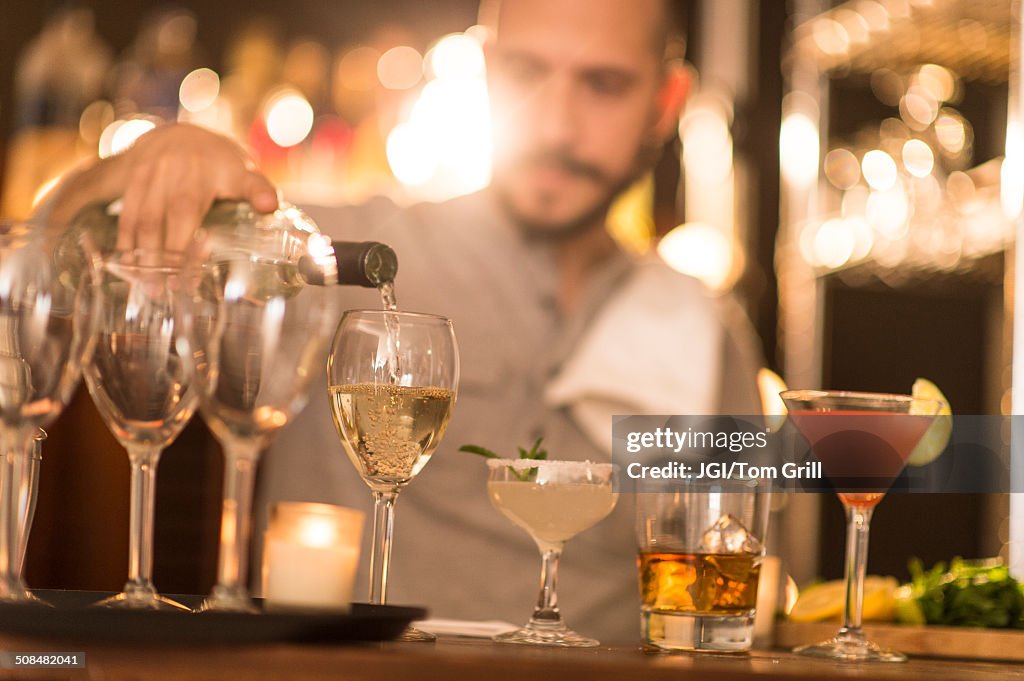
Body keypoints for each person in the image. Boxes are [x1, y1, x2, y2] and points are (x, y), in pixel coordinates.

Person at [45, 0, 763, 643]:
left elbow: (738, 594)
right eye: (525, 73)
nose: (556, 121)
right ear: (483, 74)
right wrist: (141, 167)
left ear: (666, 102)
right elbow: (45, 261)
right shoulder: (332, 256)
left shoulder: (705, 331)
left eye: (603, 83)